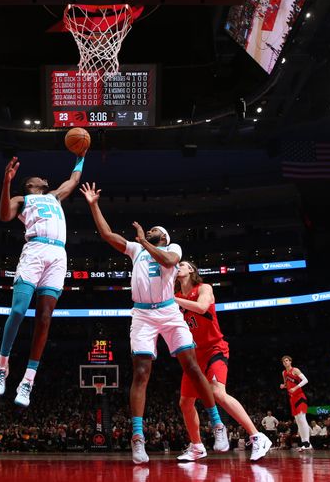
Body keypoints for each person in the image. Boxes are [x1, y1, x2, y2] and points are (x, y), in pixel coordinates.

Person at [80, 182, 225, 464]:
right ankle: (137, 437)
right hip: (143, 314)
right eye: (149, 232)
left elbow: (169, 261)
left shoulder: (173, 248)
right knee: (141, 372)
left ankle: (217, 425)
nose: (150, 231)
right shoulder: (136, 249)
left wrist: (145, 242)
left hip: (170, 312)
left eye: (154, 231)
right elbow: (107, 235)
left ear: (164, 236)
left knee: (192, 366)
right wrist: (93, 205)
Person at [0, 154, 85, 407]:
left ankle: (28, 381)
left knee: (44, 317)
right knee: (19, 310)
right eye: (40, 178)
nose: (45, 178)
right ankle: (2, 364)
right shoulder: (22, 199)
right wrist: (5, 182)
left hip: (58, 255)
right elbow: (3, 216)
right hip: (34, 250)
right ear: (31, 184)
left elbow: (74, 180)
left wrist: (80, 156)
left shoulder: (54, 196)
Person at [174, 261, 272, 462]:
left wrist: (173, 300)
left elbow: (202, 308)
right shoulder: (175, 297)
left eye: (182, 264)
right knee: (185, 402)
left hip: (215, 348)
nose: (178, 266)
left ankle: (257, 436)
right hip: (194, 355)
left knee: (218, 391)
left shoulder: (204, 288)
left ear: (192, 269)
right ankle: (197, 446)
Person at [280, 355, 311, 451]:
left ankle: (307, 443)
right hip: (292, 398)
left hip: (300, 396)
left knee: (302, 419)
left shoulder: (295, 370)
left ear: (290, 361)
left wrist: (295, 387)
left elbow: (306, 380)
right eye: (284, 361)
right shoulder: (284, 373)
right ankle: (304, 442)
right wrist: (283, 386)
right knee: (298, 422)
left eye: (287, 360)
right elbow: (286, 384)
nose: (285, 362)